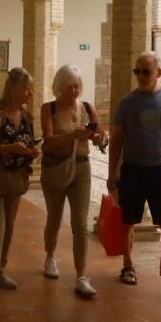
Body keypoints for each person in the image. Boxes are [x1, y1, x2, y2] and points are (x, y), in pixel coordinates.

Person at [107, 51, 161, 291]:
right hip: (133, 170)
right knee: (128, 221)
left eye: (146, 71)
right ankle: (128, 266)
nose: (141, 76)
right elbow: (117, 138)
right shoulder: (127, 102)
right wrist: (112, 172)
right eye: (137, 71)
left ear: (159, 73)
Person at [38, 65, 107, 299]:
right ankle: (50, 256)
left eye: (77, 86)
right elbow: (48, 142)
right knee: (55, 217)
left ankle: (81, 276)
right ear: (59, 87)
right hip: (56, 167)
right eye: (69, 87)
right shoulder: (49, 109)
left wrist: (98, 139)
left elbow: (101, 135)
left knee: (80, 222)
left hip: (81, 169)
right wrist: (73, 136)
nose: (74, 91)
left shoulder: (87, 108)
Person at [0, 66, 40, 299]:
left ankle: (1, 270)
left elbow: (28, 141)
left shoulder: (26, 115)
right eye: (27, 89)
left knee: (9, 226)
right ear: (12, 88)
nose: (30, 93)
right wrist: (11, 148)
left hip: (16, 176)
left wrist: (31, 151)